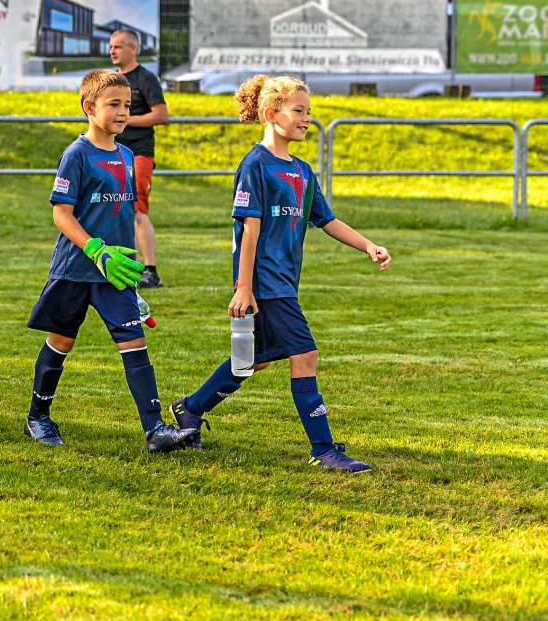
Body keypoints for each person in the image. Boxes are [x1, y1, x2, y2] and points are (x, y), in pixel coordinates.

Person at [170, 75, 390, 472]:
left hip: (284, 281)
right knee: (305, 355)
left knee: (254, 361)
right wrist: (244, 288)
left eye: (309, 111)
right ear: (272, 114)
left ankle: (190, 409)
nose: (307, 118)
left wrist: (368, 245)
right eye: (299, 110)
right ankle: (323, 449)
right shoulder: (255, 165)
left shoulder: (303, 171)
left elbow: (326, 219)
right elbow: (248, 231)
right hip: (266, 283)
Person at [24, 69, 195, 454]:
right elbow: (62, 214)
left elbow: (124, 217)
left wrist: (130, 281)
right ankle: (37, 417)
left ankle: (156, 432)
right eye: (113, 104)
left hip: (115, 274)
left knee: (134, 342)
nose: (122, 112)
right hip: (77, 268)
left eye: (127, 105)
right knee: (62, 340)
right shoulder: (76, 154)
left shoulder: (127, 155)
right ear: (89, 107)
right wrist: (96, 250)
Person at [110, 29, 168, 288]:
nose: (112, 51)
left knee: (137, 210)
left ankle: (150, 271)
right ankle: (124, 266)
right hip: (112, 154)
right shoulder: (112, 80)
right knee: (114, 210)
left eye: (118, 46)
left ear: (134, 49)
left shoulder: (146, 78)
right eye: (111, 46)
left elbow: (161, 115)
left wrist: (126, 119)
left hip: (139, 154)